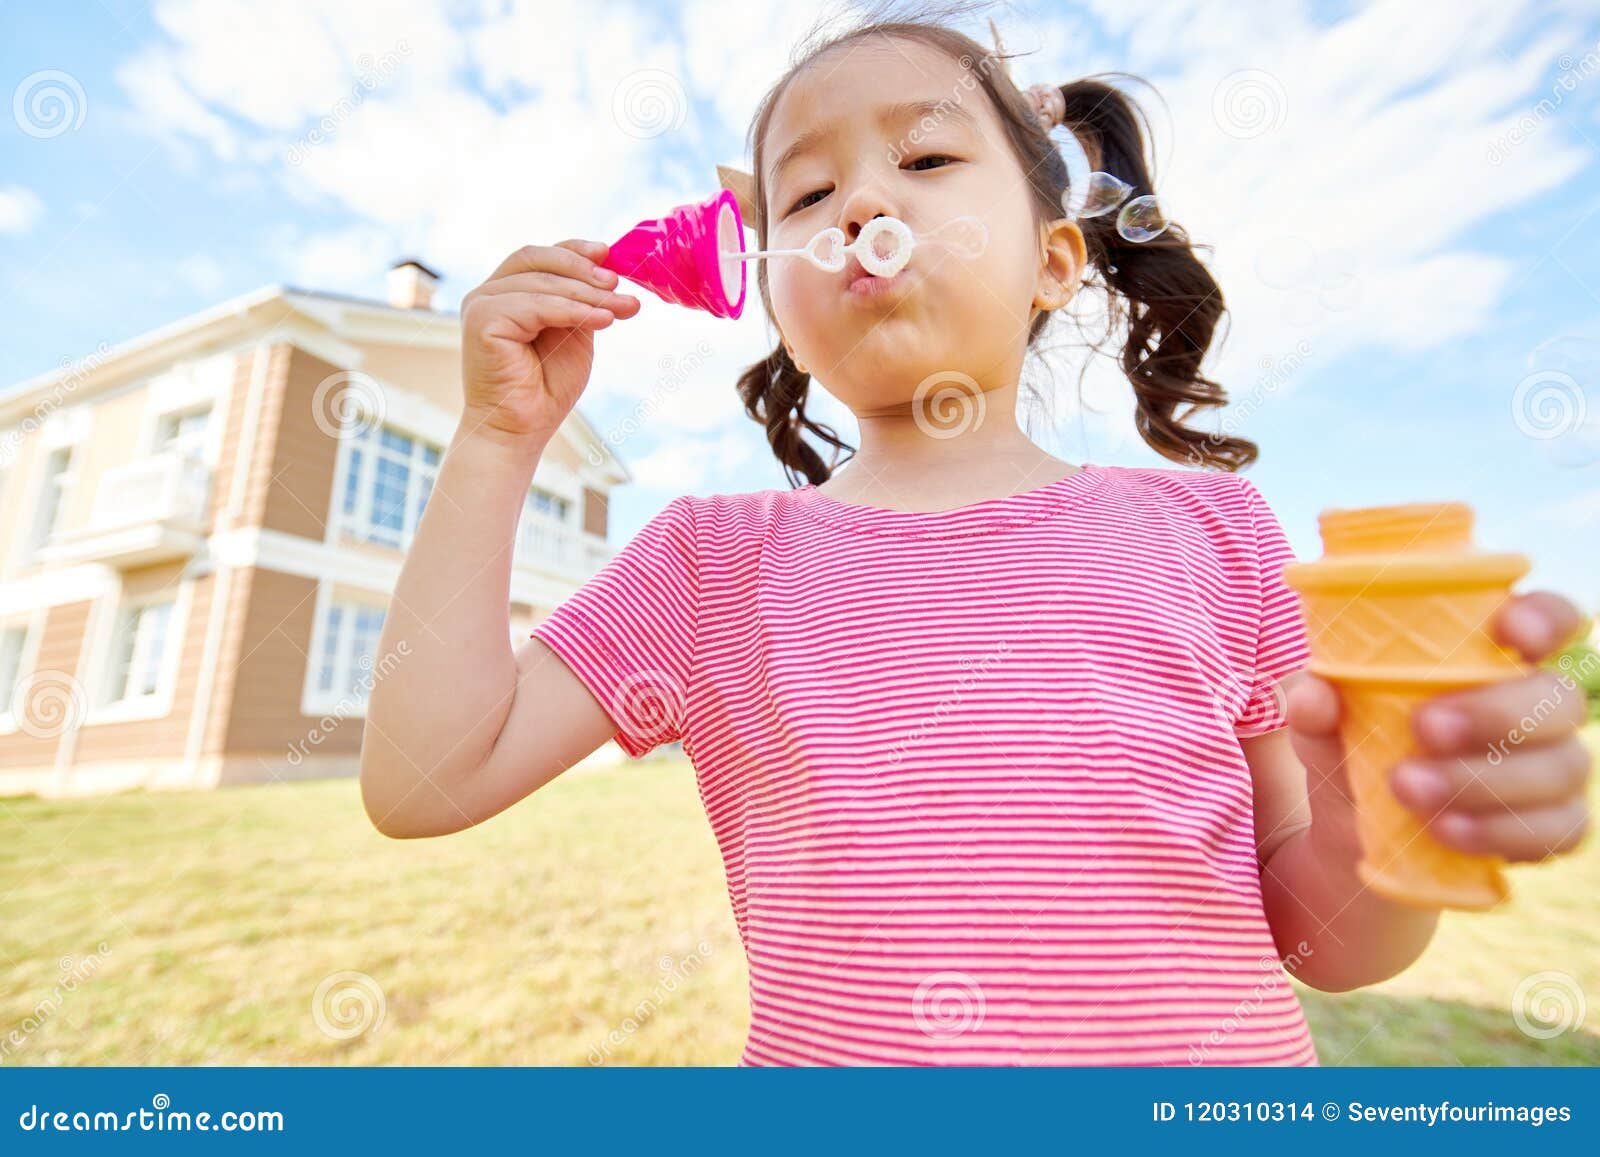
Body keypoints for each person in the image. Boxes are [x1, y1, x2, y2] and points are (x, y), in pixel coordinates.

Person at [359, 12, 1592, 1066]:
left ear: (1056, 261)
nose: (863, 202)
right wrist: (492, 439)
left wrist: (1393, 815)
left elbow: (1324, 940)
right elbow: (427, 778)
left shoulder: (1209, 531)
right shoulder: (704, 563)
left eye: (927, 154)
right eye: (807, 191)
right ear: (779, 299)